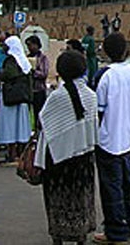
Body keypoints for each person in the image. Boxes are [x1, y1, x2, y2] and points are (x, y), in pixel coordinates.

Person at [36, 50, 98, 245]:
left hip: (58, 160)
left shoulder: (57, 96)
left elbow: (44, 124)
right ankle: (80, 236)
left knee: (58, 199)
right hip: (84, 158)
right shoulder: (91, 95)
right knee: (81, 198)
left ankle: (59, 238)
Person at [94, 32, 130, 243]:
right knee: (128, 183)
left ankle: (115, 230)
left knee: (111, 186)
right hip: (126, 137)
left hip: (107, 139)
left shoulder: (104, 75)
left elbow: (97, 111)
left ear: (106, 52)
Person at [0, 36, 33, 164]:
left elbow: (9, 75)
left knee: (10, 127)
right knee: (21, 127)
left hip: (11, 98)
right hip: (22, 97)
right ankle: (21, 153)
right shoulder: (24, 61)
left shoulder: (11, 60)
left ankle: (12, 154)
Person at [26, 35, 50, 126]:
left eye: (31, 45)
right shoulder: (27, 57)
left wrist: (33, 72)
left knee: (39, 113)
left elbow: (44, 73)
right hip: (29, 90)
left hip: (39, 89)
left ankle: (38, 131)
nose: (29, 48)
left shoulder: (43, 58)